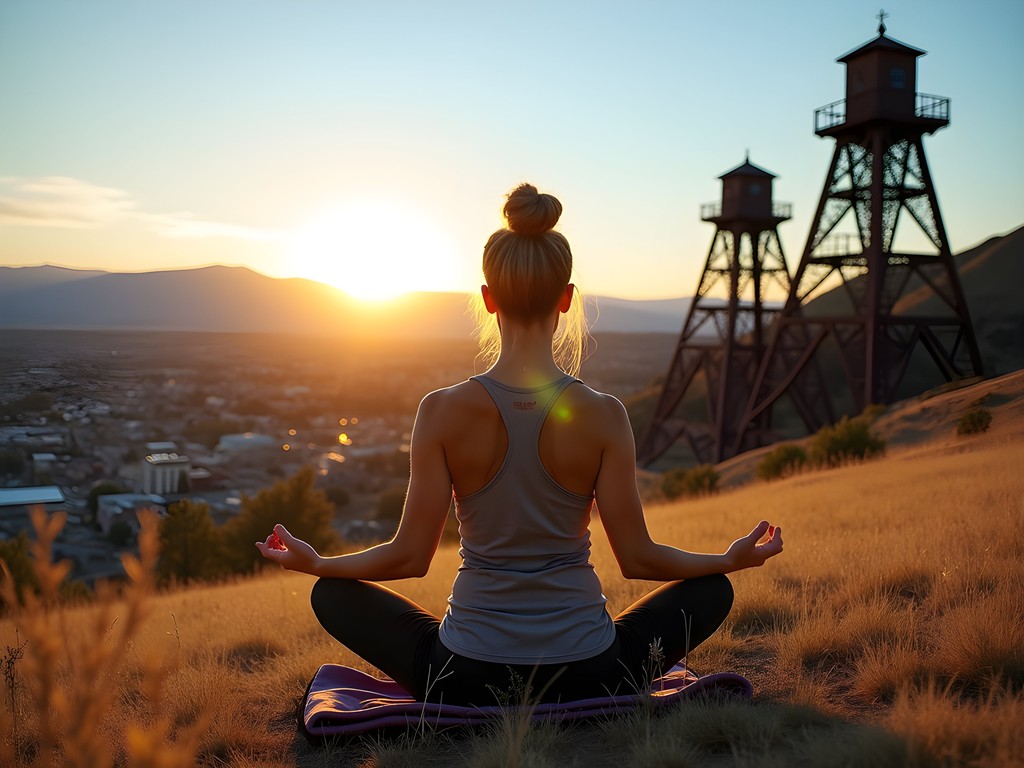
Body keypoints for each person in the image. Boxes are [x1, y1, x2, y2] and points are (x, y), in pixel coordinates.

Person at [257, 183, 783, 706]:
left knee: (332, 594)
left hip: (465, 674)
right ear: (567, 297)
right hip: (591, 670)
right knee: (713, 588)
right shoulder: (604, 414)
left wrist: (318, 563)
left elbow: (409, 556)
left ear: (488, 300)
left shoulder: (439, 410)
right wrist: (728, 559)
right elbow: (639, 557)